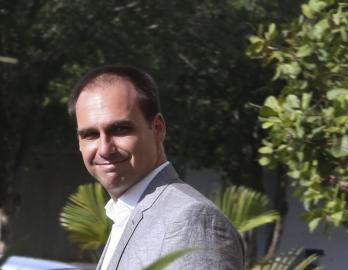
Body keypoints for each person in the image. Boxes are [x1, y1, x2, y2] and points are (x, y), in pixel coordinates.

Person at [68, 65, 245, 270]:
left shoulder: (192, 220)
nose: (105, 148)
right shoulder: (126, 215)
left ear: (158, 129)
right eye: (90, 134)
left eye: (120, 129)